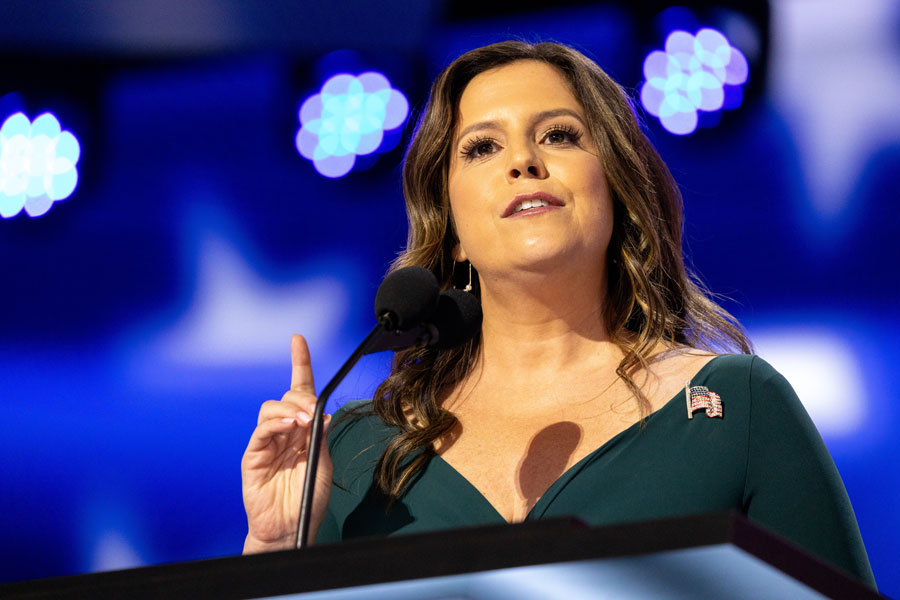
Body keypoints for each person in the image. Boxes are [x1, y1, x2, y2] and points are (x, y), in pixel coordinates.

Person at [240, 41, 875, 587]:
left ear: (616, 190)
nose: (524, 161)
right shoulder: (348, 451)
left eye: (559, 135)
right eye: (483, 148)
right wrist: (272, 548)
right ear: (454, 226)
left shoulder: (735, 408)